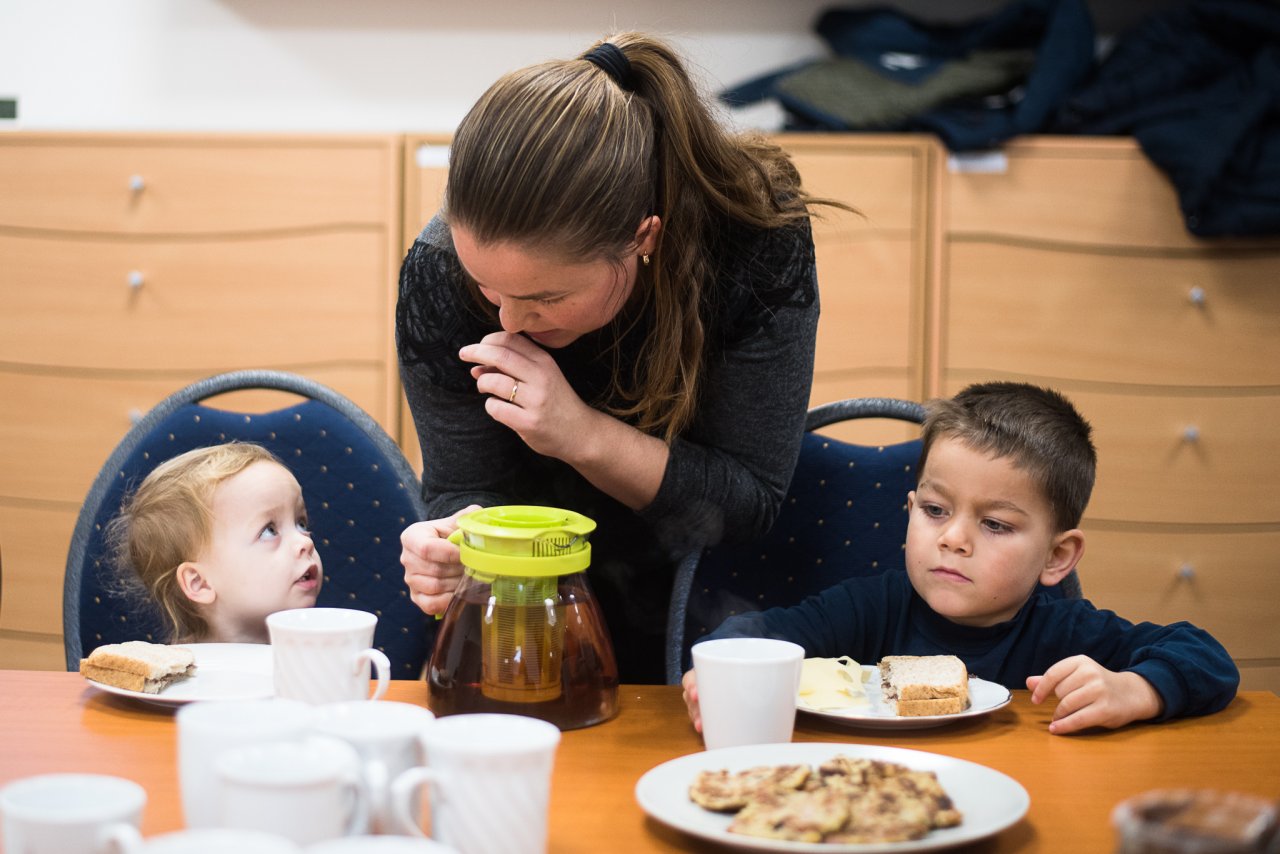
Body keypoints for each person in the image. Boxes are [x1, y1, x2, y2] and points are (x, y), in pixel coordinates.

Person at [396, 32, 852, 683]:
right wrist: (456, 539)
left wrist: (580, 434)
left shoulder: (752, 239)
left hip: (705, 606)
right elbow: (462, 485)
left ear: (644, 238)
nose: (510, 322)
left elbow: (746, 505)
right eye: (487, 288)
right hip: (526, 611)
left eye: (546, 297)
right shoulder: (441, 266)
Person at [682, 382, 1240, 735]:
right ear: (909, 510)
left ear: (1057, 556)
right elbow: (751, 636)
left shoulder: (1066, 633)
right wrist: (719, 672)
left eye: (994, 524)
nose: (953, 539)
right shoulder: (870, 607)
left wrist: (1136, 691)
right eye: (935, 510)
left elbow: (1207, 658)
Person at [108, 442, 323, 644]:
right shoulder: (182, 671)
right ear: (200, 583)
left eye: (301, 523)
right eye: (269, 531)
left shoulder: (326, 653)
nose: (305, 542)